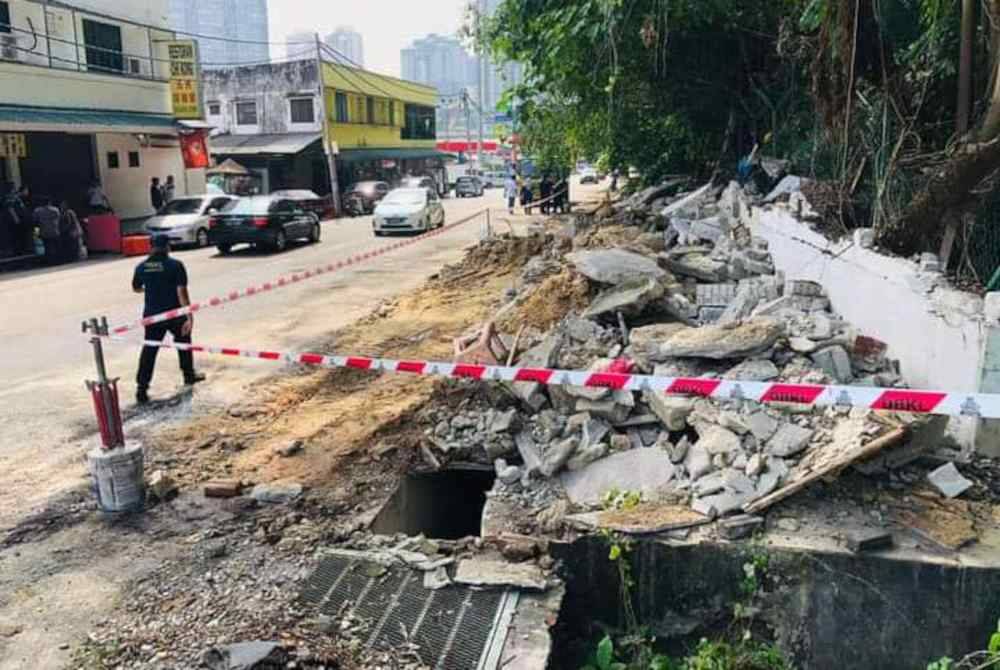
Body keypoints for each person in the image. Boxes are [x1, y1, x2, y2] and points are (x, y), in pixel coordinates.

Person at [133, 234, 205, 404]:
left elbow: (136, 288)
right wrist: (189, 316)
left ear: (150, 247)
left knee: (150, 350)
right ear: (167, 246)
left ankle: (141, 388)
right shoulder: (175, 265)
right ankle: (188, 375)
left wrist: (152, 289)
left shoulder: (141, 267)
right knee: (183, 342)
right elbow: (182, 292)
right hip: (175, 314)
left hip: (152, 315)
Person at [33, 196, 61, 265]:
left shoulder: (37, 211)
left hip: (44, 232)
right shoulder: (55, 210)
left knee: (47, 247)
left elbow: (35, 223)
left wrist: (36, 234)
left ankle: (49, 261)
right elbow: (59, 220)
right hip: (54, 231)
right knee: (56, 246)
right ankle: (57, 260)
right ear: (49, 202)